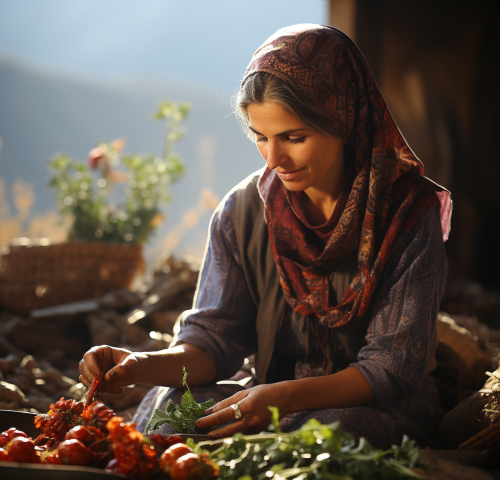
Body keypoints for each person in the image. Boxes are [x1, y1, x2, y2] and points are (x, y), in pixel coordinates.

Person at [79, 24, 452, 449]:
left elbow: (390, 368)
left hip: (368, 408)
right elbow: (214, 343)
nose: (275, 160)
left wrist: (281, 398)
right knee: (171, 410)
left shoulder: (406, 214)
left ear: (345, 119)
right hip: (262, 394)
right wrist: (139, 365)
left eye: (294, 138)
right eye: (261, 138)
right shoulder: (242, 212)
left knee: (330, 436)